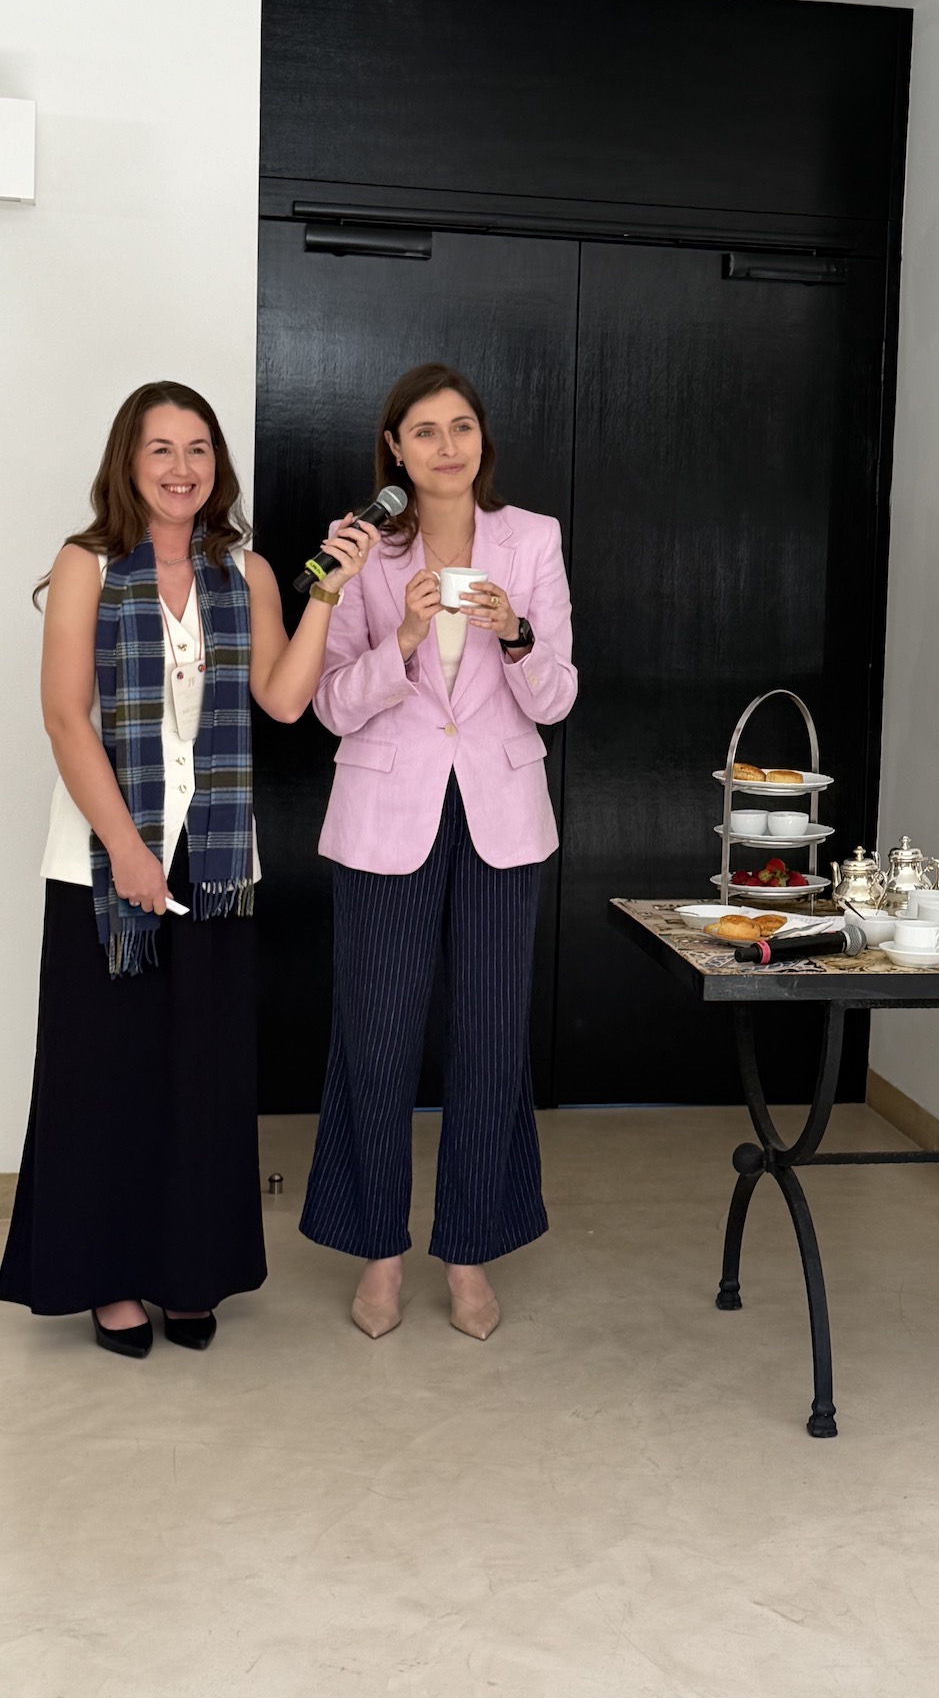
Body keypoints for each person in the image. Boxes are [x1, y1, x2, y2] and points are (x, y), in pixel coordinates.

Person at [0, 382, 376, 1356]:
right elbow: (64, 716)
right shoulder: (85, 565)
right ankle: (110, 1278)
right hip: (99, 865)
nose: (181, 467)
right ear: (128, 462)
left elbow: (283, 699)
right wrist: (126, 848)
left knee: (201, 1074)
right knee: (104, 1076)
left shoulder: (246, 571)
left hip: (213, 866)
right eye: (160, 448)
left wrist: (327, 593)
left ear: (218, 465)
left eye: (198, 448)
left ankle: (188, 1271)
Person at [299, 362, 576, 1341]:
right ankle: (378, 1250)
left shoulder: (531, 537)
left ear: (481, 439)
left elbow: (557, 696)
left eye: (461, 426)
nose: (446, 446)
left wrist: (517, 633)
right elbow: (328, 703)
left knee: (492, 1038)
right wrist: (407, 636)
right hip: (386, 811)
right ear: (395, 447)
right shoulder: (359, 546)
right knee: (375, 1036)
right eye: (424, 430)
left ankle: (469, 1250)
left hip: (501, 810)